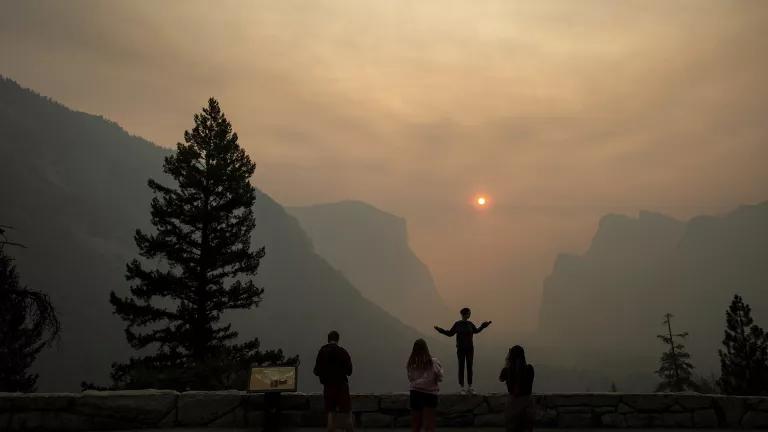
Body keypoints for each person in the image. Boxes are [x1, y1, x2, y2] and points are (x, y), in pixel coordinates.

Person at [434, 307, 491, 393]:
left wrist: (483, 326)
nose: (470, 314)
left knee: (469, 367)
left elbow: (476, 331)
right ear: (465, 314)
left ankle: (470, 387)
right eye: (469, 313)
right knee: (461, 367)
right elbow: (450, 333)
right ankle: (462, 387)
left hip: (470, 349)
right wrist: (440, 330)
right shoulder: (457, 324)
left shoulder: (470, 324)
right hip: (460, 349)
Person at [314, 330, 354, 432]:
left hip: (328, 385)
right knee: (346, 412)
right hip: (342, 385)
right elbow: (349, 371)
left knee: (331, 412)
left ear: (328, 339)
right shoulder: (343, 352)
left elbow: (316, 371)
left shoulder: (322, 351)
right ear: (338, 339)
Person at [407, 339, 444, 432]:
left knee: (416, 426)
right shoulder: (434, 362)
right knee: (429, 426)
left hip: (415, 393)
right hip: (430, 394)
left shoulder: (411, 363)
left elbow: (410, 378)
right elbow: (440, 377)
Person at [499, 345, 535, 432]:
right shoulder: (529, 369)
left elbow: (501, 378)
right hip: (527, 405)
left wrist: (507, 363)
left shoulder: (507, 371)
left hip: (512, 406)